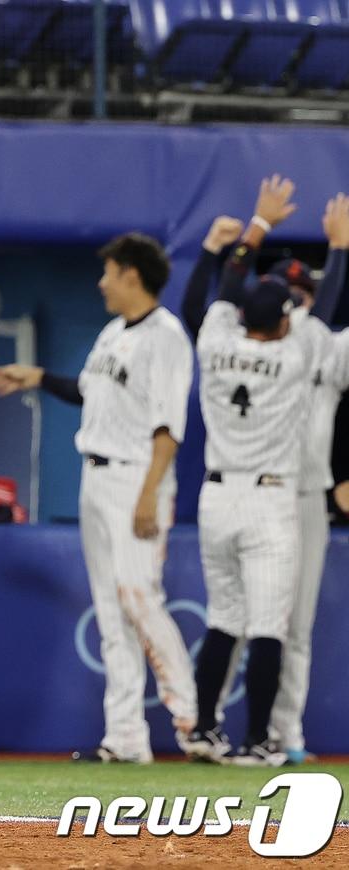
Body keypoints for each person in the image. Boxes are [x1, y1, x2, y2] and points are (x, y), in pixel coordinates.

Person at [0, 233, 197, 764]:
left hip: (136, 478)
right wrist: (37, 377)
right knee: (110, 609)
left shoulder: (166, 337)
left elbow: (169, 426)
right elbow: (89, 390)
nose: (101, 282)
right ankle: (125, 737)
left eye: (108, 272)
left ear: (131, 274)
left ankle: (195, 718)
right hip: (96, 477)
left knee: (138, 597)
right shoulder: (111, 333)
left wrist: (149, 495)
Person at [179, 178, 347, 766]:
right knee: (270, 626)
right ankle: (257, 742)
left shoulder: (214, 340)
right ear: (281, 323)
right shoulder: (293, 350)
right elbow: (321, 315)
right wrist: (341, 249)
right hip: (271, 500)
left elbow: (224, 289)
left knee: (225, 619)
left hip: (216, 497)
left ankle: (202, 729)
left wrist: (258, 225)